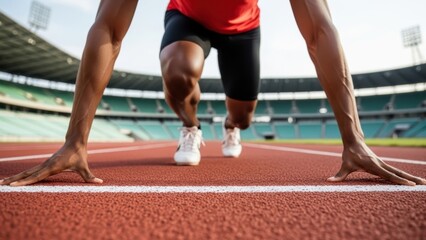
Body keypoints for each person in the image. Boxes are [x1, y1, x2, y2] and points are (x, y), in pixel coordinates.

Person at [0, 0, 425, 186]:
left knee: (243, 116)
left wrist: (355, 140)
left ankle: (229, 125)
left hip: (244, 29)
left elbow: (319, 31)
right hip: (188, 19)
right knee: (180, 72)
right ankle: (192, 126)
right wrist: (75, 139)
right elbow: (108, 29)